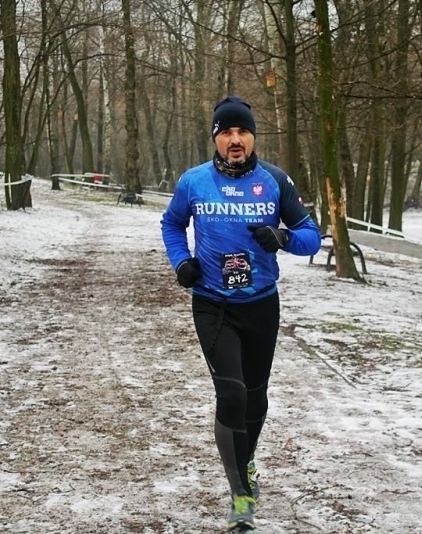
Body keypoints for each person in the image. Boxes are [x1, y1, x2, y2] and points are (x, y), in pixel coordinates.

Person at [160, 96, 321, 530]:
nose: (235, 139)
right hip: (212, 303)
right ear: (216, 138)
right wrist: (181, 261)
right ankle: (241, 496)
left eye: (243, 131)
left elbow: (312, 236)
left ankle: (245, 461)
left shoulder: (275, 181)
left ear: (253, 137)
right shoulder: (194, 182)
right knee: (231, 394)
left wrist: (283, 237)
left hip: (261, 304)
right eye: (227, 132)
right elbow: (171, 223)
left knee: (255, 395)